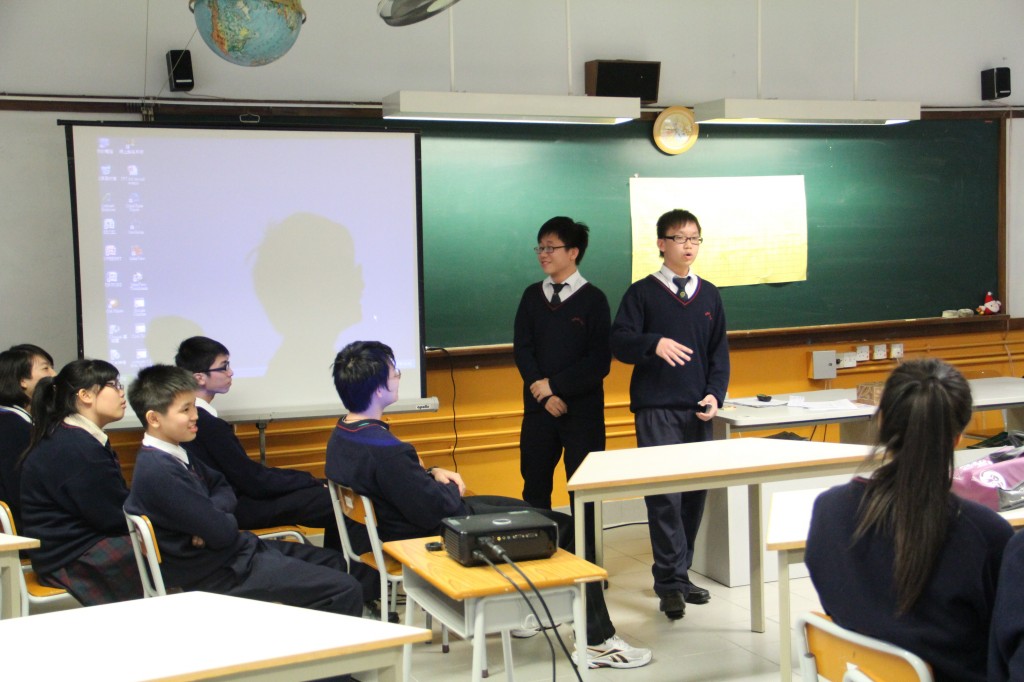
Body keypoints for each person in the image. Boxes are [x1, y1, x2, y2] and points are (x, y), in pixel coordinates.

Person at [325, 340, 651, 670]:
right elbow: (436, 510)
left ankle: (531, 614)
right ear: (378, 389)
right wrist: (447, 484)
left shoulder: (343, 433)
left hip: (405, 527)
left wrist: (432, 472)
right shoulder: (388, 452)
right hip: (441, 532)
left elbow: (402, 486)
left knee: (524, 509)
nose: (398, 375)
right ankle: (596, 642)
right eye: (394, 371)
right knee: (562, 528)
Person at [805, 359, 1011, 682]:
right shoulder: (987, 535)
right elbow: (1006, 643)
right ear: (958, 437)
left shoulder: (829, 512)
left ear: (882, 421)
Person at [123, 364, 363, 617]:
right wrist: (214, 521)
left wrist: (211, 515)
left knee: (334, 562)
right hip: (217, 571)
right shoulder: (160, 471)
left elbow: (221, 485)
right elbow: (224, 532)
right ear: (154, 419)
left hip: (230, 554)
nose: (195, 416)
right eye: (185, 410)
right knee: (344, 589)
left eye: (193, 406)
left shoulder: (173, 452)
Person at [609, 208, 730, 620]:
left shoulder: (709, 294)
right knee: (664, 497)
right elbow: (619, 342)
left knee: (693, 497)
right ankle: (669, 584)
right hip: (656, 410)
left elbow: (719, 353)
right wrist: (654, 343)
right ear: (662, 244)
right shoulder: (642, 293)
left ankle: (680, 573)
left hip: (697, 411)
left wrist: (714, 395)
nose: (688, 245)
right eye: (680, 238)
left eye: (695, 238)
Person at [174, 336, 352, 551]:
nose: (231, 372)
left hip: (231, 500)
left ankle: (341, 564)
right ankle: (348, 567)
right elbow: (253, 481)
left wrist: (309, 481)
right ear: (200, 378)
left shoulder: (189, 420)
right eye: (224, 367)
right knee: (341, 502)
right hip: (236, 507)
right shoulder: (207, 424)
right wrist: (308, 479)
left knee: (331, 492)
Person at [513, 217, 609, 571]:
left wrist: (555, 387)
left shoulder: (594, 300)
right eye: (540, 247)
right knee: (535, 486)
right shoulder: (531, 296)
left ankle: (587, 565)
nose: (543, 254)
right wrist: (543, 394)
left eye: (551, 247)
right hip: (539, 411)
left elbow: (599, 361)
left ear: (573, 252)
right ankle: (537, 562)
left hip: (582, 413)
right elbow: (523, 350)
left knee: (584, 490)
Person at [19, 358, 143, 605]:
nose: (122, 392)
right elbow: (112, 516)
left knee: (167, 542)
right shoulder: (75, 446)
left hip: (70, 549)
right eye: (113, 385)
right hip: (71, 557)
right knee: (171, 548)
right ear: (85, 395)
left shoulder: (73, 435)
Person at [0, 344, 56, 531]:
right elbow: (21, 491)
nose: (54, 375)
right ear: (22, 380)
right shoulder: (12, 427)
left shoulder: (17, 421)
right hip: (28, 530)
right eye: (46, 368)